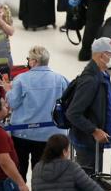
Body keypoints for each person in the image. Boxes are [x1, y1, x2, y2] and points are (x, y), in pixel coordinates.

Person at [64, 36, 111, 173]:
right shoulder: (90, 80)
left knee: (95, 178)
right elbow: (73, 113)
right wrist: (95, 131)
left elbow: (99, 103)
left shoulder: (102, 74)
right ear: (101, 55)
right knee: (88, 182)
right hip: (87, 143)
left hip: (95, 141)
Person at [6, 45, 68, 181]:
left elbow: (12, 103)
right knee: (44, 175)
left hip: (22, 133)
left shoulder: (21, 79)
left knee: (19, 170)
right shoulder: (61, 79)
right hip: (50, 135)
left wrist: (8, 91)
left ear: (34, 61)